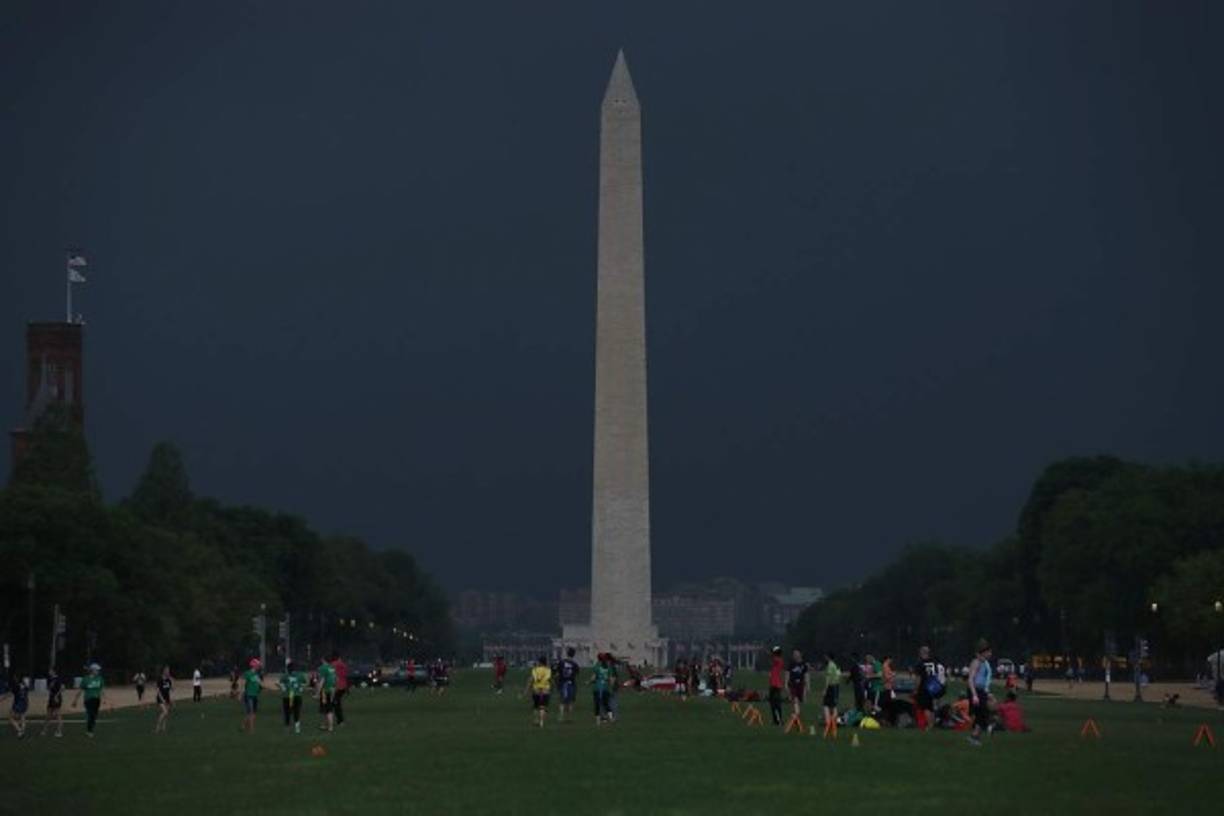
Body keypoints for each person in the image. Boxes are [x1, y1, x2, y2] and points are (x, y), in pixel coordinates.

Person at [967, 639, 994, 746]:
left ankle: (975, 737)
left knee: (982, 715)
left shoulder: (984, 663)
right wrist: (974, 695)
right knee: (982, 714)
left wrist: (987, 692)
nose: (991, 654)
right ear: (983, 652)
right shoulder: (976, 662)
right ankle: (976, 736)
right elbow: (970, 679)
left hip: (980, 691)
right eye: (989, 652)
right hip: (975, 691)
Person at [913, 645, 945, 732]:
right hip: (933, 686)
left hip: (923, 687)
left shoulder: (920, 663)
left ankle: (930, 726)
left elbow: (918, 678)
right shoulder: (933, 663)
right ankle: (932, 725)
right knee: (931, 707)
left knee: (925, 707)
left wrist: (916, 689)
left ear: (921, 653)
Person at [71, 663, 106, 737]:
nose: (98, 671)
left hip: (97, 699)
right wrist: (75, 700)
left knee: (94, 715)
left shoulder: (100, 678)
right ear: (93, 670)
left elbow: (102, 689)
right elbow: (80, 690)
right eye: (97, 670)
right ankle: (89, 731)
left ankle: (90, 726)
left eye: (98, 670)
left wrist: (104, 699)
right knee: (91, 714)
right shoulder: (86, 679)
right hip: (88, 699)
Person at [279, 659, 306, 733]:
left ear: (287, 669)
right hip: (297, 695)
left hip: (287, 696)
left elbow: (281, 683)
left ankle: (287, 728)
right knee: (296, 712)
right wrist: (301, 688)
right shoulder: (300, 675)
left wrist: (283, 688)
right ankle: (297, 729)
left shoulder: (285, 675)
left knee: (287, 712)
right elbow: (304, 683)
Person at [525, 655, 552, 728]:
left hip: (536, 689)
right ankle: (542, 722)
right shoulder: (548, 670)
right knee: (543, 707)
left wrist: (527, 690)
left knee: (536, 707)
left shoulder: (535, 670)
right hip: (545, 689)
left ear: (539, 662)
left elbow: (532, 680)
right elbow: (549, 679)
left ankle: (536, 720)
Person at [556, 647, 580, 723]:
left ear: (567, 653)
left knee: (562, 701)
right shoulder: (575, 664)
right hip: (571, 683)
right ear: (574, 655)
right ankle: (569, 717)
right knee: (570, 702)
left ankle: (561, 716)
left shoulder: (561, 662)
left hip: (563, 683)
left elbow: (557, 673)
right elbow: (577, 674)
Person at [240, 658, 264, 734]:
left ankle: (243, 726)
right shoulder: (247, 673)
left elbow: (260, 684)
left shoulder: (257, 675)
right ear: (254, 666)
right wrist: (241, 694)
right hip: (248, 695)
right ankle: (251, 730)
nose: (259, 667)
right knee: (251, 712)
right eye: (258, 666)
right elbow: (243, 685)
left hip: (255, 695)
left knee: (252, 714)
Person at [3, 672, 30, 738]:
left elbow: (9, 694)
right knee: (22, 717)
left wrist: (1, 699)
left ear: (17, 677)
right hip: (25, 702)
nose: (14, 678)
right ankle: (22, 732)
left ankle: (19, 730)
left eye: (15, 677)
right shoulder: (24, 685)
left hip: (18, 703)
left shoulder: (16, 685)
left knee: (10, 718)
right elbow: (26, 693)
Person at [821, 653, 841, 737]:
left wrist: (825, 689)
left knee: (825, 704)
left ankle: (828, 721)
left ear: (828, 657)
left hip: (831, 687)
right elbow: (839, 675)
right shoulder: (836, 665)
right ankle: (834, 722)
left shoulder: (830, 665)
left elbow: (828, 678)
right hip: (836, 686)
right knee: (834, 705)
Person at [41, 668, 65, 737]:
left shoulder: (58, 679)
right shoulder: (50, 679)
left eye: (50, 671)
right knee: (48, 715)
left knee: (58, 715)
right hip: (51, 698)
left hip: (56, 698)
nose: (49, 672)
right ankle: (44, 730)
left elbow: (62, 688)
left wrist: (56, 696)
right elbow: (50, 688)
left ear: (54, 672)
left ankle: (59, 732)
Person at [787, 649, 809, 722]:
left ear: (800, 654)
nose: (795, 655)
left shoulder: (804, 664)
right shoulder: (791, 664)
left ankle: (796, 714)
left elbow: (806, 675)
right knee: (794, 698)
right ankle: (797, 713)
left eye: (796, 654)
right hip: (792, 684)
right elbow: (787, 674)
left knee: (801, 700)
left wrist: (807, 685)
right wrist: (786, 683)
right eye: (794, 654)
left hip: (801, 684)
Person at [317, 656, 338, 732]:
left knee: (327, 709)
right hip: (332, 690)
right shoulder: (332, 668)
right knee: (327, 708)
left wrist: (317, 692)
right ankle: (325, 725)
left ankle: (330, 727)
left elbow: (322, 681)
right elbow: (336, 679)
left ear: (323, 660)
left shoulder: (322, 668)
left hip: (325, 691)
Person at [590, 653, 612, 725]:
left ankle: (598, 722)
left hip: (597, 688)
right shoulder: (607, 666)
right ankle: (610, 718)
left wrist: (589, 682)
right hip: (606, 688)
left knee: (597, 704)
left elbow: (593, 678)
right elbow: (610, 679)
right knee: (606, 704)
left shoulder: (596, 666)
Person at [767, 646, 785, 726]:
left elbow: (773, 659)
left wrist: (769, 653)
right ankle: (775, 720)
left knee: (776, 703)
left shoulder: (778, 660)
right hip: (774, 684)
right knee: (772, 703)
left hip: (776, 684)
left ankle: (779, 720)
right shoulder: (776, 660)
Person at [331, 652, 349, 727]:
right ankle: (338, 721)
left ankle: (340, 721)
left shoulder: (333, 665)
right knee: (337, 703)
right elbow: (345, 675)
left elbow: (333, 676)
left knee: (335, 704)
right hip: (343, 686)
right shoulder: (343, 665)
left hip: (337, 686)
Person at [154, 666, 173, 733]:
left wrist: (170, 699)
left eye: (169, 671)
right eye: (167, 671)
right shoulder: (160, 679)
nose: (168, 672)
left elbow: (171, 689)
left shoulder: (168, 680)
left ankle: (163, 728)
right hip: (160, 699)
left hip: (167, 698)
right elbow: (158, 691)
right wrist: (162, 699)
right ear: (164, 672)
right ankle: (157, 727)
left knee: (166, 714)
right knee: (165, 712)